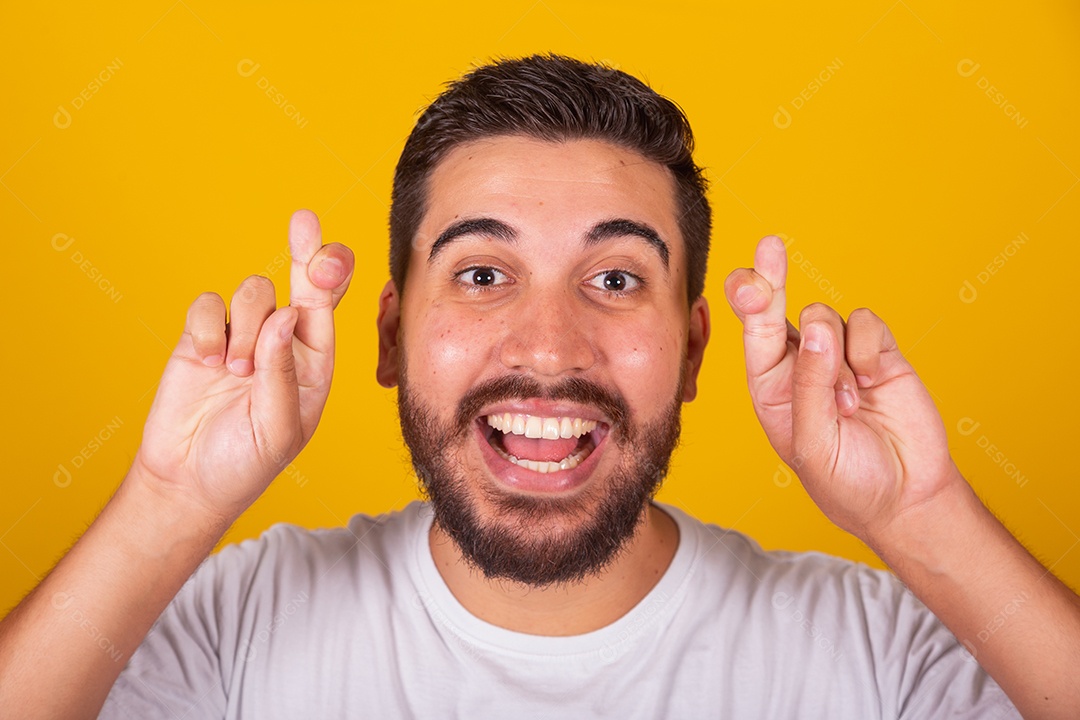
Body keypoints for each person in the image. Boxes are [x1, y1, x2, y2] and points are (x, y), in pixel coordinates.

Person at [1, 54, 1077, 719]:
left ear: (696, 350)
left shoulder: (874, 650)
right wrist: (166, 503)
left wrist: (924, 514)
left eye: (615, 279)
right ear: (388, 335)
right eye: (481, 274)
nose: (551, 348)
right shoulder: (236, 624)